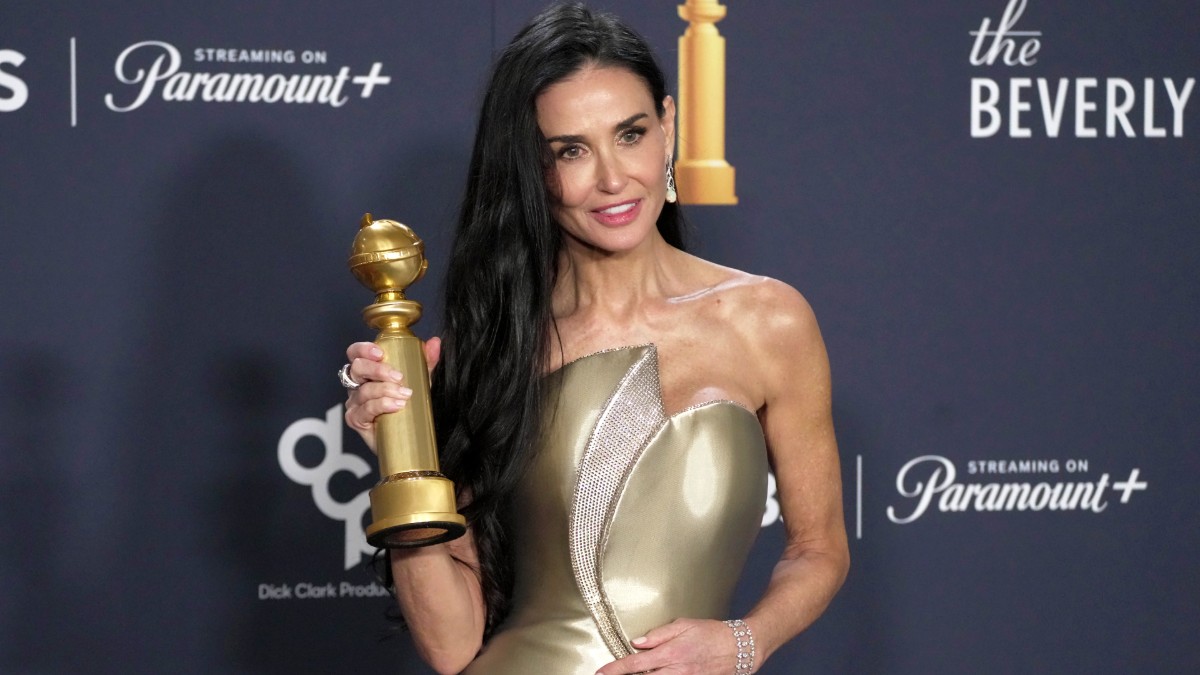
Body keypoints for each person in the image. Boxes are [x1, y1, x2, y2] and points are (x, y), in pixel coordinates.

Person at [340, 3, 848, 673]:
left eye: (630, 134)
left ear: (667, 125)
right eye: (570, 150)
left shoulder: (768, 320)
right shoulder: (493, 347)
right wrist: (403, 463)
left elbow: (820, 550)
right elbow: (452, 643)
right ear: (530, 168)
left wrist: (741, 642)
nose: (612, 178)